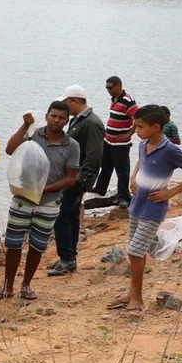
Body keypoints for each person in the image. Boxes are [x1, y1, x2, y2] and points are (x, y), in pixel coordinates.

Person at [108, 105, 182, 312]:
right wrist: (133, 177)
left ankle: (137, 298)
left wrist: (171, 193)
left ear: (155, 127)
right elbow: (141, 160)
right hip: (137, 204)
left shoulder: (170, 150)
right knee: (134, 251)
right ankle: (131, 293)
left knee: (136, 251)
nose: (135, 131)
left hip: (154, 208)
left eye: (139, 127)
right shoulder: (144, 144)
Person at [0, 103, 79, 302]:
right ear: (47, 116)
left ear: (67, 121)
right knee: (13, 245)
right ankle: (7, 286)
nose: (56, 121)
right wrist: (24, 125)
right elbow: (10, 149)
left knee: (37, 247)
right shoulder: (33, 135)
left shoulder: (72, 146)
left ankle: (26, 285)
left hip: (49, 203)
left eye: (61, 118)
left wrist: (42, 190)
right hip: (22, 200)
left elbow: (70, 178)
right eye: (53, 116)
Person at [49, 85, 105, 277]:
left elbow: (94, 154)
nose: (64, 108)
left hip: (77, 179)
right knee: (70, 216)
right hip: (71, 177)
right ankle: (69, 256)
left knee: (61, 215)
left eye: (66, 103)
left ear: (74, 101)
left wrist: (82, 180)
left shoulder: (91, 123)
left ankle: (67, 259)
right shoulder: (78, 121)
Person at [93, 76, 139, 208]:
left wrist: (129, 133)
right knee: (106, 165)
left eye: (110, 87)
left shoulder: (127, 100)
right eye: (107, 88)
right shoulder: (114, 99)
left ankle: (123, 197)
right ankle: (101, 188)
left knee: (122, 171)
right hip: (108, 140)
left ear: (119, 85)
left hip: (120, 144)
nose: (108, 90)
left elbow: (139, 118)